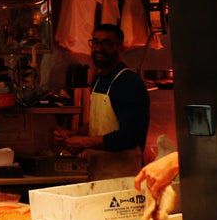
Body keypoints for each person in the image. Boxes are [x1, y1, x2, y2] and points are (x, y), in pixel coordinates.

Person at [54, 23, 150, 180]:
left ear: (121, 48)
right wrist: (74, 135)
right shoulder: (98, 80)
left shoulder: (128, 82)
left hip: (124, 179)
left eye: (106, 43)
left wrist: (85, 142)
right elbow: (99, 124)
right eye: (95, 42)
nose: (99, 48)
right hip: (98, 175)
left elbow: (130, 137)